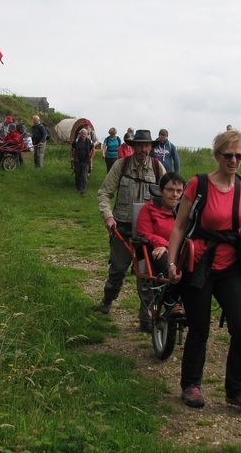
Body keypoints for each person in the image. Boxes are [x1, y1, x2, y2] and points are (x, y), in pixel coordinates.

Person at [167, 128, 241, 414]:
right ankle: (191, 385)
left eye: (239, 155)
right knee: (199, 328)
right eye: (228, 155)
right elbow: (179, 226)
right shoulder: (199, 185)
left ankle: (237, 391)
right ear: (217, 155)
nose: (234, 160)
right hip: (199, 265)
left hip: (231, 266)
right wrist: (173, 264)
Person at [97, 129, 166, 331]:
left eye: (147, 146)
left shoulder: (157, 168)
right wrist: (108, 217)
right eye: (140, 145)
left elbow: (169, 197)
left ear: (151, 147)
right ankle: (108, 299)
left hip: (146, 235)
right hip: (122, 230)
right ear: (133, 146)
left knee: (145, 277)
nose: (143, 149)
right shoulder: (121, 165)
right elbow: (104, 193)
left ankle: (146, 320)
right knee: (117, 271)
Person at [136, 172, 186, 316]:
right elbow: (145, 233)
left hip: (180, 251)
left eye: (179, 191)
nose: (175, 194)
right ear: (160, 190)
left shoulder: (186, 211)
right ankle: (170, 301)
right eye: (170, 190)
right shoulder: (149, 209)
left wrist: (170, 246)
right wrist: (164, 245)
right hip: (155, 252)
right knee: (162, 255)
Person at [73, 128, 94, 197]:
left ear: (87, 135)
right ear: (80, 134)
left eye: (85, 134)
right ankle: (78, 188)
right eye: (82, 134)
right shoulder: (76, 141)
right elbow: (72, 149)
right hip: (77, 161)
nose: (84, 135)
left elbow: (93, 150)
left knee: (84, 176)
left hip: (86, 161)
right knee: (78, 175)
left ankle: (83, 191)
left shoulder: (89, 142)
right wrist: (71, 158)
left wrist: (91, 158)